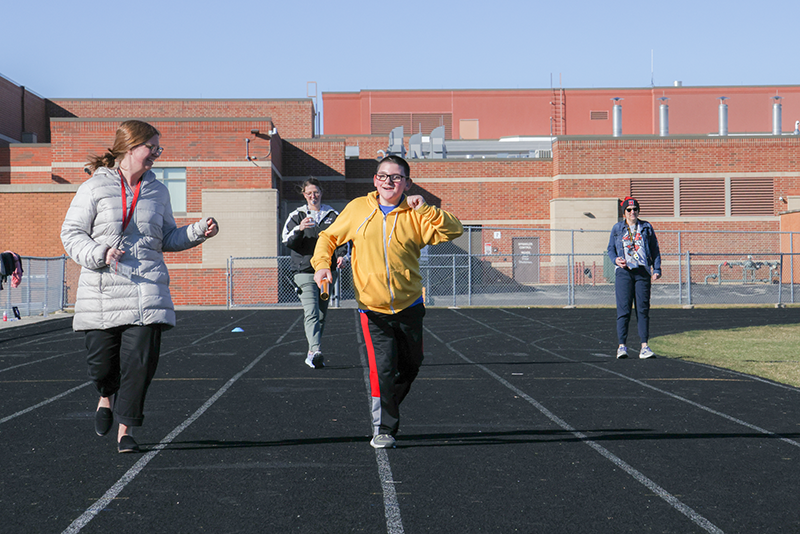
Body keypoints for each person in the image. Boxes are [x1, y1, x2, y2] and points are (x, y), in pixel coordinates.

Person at [61, 120, 218, 453]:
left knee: (140, 362)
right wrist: (101, 252)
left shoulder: (158, 191)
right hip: (103, 289)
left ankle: (126, 429)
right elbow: (71, 235)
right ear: (131, 148)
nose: (156, 156)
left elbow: (167, 238)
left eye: (158, 150)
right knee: (102, 365)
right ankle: (106, 394)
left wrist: (198, 231)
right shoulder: (93, 188)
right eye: (152, 148)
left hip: (147, 289)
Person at [312, 155, 463, 449]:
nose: (388, 182)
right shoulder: (358, 209)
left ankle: (387, 402)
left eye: (395, 177)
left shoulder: (417, 214)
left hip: (410, 305)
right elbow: (328, 237)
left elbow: (453, 230)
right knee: (382, 368)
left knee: (411, 365)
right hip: (372, 308)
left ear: (406, 182)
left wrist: (428, 210)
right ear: (374, 180)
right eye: (383, 176)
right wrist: (322, 265)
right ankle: (383, 427)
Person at [281, 177, 348, 368]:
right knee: (310, 311)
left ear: (321, 193)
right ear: (304, 195)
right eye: (309, 193)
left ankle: (312, 353)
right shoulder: (297, 215)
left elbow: (343, 239)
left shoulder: (333, 215)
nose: (313, 196)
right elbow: (286, 241)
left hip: (327, 271)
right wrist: (300, 229)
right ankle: (315, 350)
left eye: (316, 192)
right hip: (304, 272)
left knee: (321, 314)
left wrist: (342, 256)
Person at [607, 197, 661, 359]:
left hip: (642, 272)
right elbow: (610, 249)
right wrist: (615, 260)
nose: (633, 212)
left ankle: (644, 346)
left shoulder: (646, 227)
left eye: (635, 209)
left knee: (642, 310)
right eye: (629, 210)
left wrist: (656, 269)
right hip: (624, 273)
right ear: (624, 212)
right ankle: (622, 346)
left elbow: (655, 249)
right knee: (623, 310)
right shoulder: (617, 228)